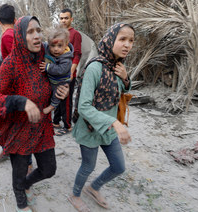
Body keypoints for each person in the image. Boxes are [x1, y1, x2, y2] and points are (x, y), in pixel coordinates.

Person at [0, 16, 69, 212]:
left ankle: (25, 185)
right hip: (19, 131)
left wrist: (60, 93)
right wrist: (21, 101)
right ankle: (20, 198)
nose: (37, 36)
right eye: (30, 32)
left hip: (42, 127)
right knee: (20, 171)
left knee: (49, 169)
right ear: (20, 36)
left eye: (38, 30)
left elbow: (60, 75)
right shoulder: (11, 63)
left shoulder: (46, 57)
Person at [68, 23, 134, 212]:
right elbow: (84, 107)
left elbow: (123, 92)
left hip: (108, 129)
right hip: (90, 128)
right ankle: (75, 195)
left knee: (119, 166)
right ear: (110, 39)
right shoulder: (95, 68)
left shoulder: (119, 67)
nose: (127, 45)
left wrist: (126, 78)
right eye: (122, 39)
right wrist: (114, 122)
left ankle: (93, 188)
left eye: (131, 41)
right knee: (88, 166)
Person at [0, 3, 17, 164]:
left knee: (7, 121)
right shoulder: (16, 33)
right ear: (14, 19)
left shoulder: (8, 36)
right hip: (13, 86)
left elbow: (14, 63)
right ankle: (8, 150)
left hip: (12, 87)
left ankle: (24, 163)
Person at [53, 8, 82, 136]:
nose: (63, 20)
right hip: (57, 72)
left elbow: (76, 55)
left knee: (67, 99)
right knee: (58, 97)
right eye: (61, 18)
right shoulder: (58, 34)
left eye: (66, 18)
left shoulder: (75, 34)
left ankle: (68, 125)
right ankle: (55, 121)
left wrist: (70, 72)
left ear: (71, 19)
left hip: (68, 74)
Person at [39, 27, 73, 114]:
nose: (56, 49)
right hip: (51, 79)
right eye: (53, 46)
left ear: (66, 44)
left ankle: (52, 106)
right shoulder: (47, 48)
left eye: (59, 46)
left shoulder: (66, 58)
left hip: (61, 80)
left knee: (58, 92)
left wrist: (48, 67)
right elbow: (42, 45)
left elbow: (61, 70)